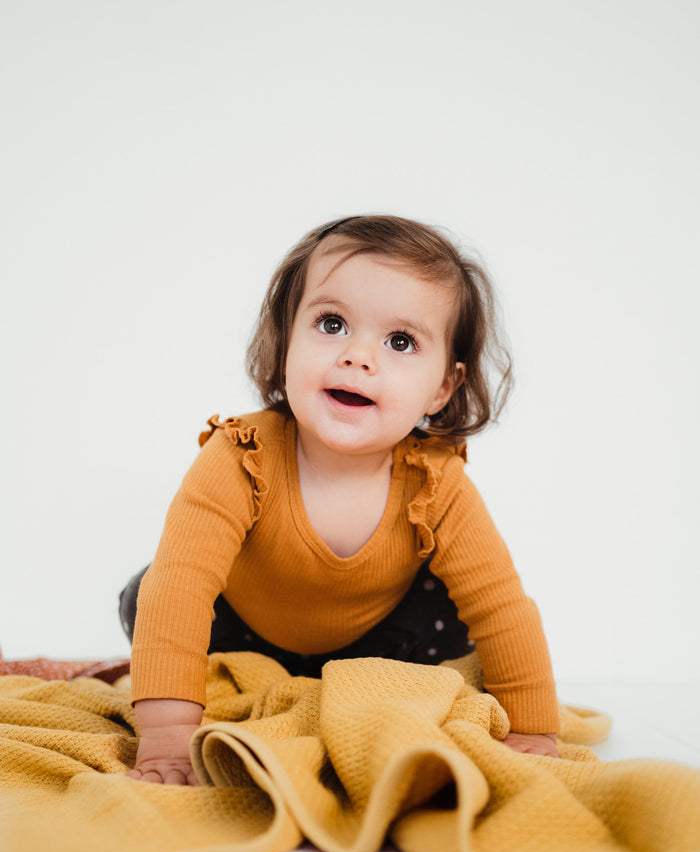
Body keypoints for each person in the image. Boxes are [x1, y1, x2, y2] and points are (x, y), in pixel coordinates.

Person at [121, 215, 560, 786]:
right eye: (331, 323)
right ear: (284, 341)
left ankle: (367, 689)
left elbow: (501, 605)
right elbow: (182, 585)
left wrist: (534, 730)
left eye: (400, 342)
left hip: (380, 647)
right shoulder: (240, 457)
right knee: (151, 590)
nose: (358, 356)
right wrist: (167, 739)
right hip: (245, 631)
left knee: (460, 615)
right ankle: (246, 681)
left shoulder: (436, 482)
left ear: (442, 388)